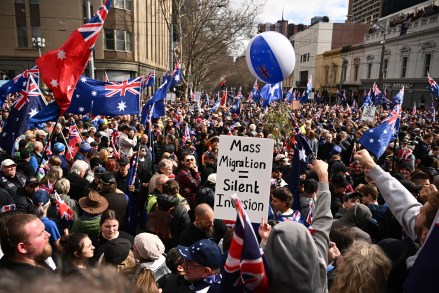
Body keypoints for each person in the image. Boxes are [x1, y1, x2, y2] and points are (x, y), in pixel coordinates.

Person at [259, 159, 332, 293]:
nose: (272, 202)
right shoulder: (318, 266)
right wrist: (323, 175)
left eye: (275, 200)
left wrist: (264, 242)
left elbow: (261, 262)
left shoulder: (267, 282)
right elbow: (323, 221)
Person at [0, 214, 54, 278]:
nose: (48, 234)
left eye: (44, 230)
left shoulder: (8, 259)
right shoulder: (39, 281)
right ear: (22, 247)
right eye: (40, 234)